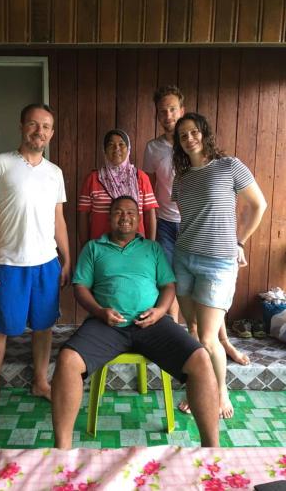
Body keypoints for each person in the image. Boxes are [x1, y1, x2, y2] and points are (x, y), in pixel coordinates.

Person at [52, 196, 220, 448]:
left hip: (152, 323)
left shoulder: (152, 249)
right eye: (118, 212)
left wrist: (160, 311)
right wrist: (100, 311)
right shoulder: (93, 248)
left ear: (139, 219)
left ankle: (212, 448)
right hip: (106, 324)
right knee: (67, 360)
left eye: (131, 212)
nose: (125, 217)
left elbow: (168, 285)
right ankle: (61, 449)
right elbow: (80, 288)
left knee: (201, 359)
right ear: (109, 218)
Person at [0, 103, 71, 418]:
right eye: (33, 124)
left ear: (51, 133)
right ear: (21, 126)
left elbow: (59, 221)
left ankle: (40, 382)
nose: (39, 131)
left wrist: (66, 258)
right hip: (8, 264)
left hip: (46, 264)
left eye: (45, 126)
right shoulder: (0, 164)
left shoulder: (54, 173)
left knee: (43, 327)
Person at [143, 85, 250, 367]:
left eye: (172, 109)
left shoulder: (210, 156)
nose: (167, 115)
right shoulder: (155, 150)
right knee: (175, 287)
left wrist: (237, 241)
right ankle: (185, 345)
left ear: (182, 110)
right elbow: (150, 187)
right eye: (162, 111)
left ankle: (221, 343)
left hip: (204, 233)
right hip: (169, 225)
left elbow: (233, 201)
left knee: (210, 298)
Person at [171, 112, 267, 418]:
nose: (189, 139)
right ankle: (197, 388)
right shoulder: (181, 178)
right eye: (183, 135)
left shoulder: (229, 166)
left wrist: (240, 242)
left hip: (218, 263)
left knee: (209, 338)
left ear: (204, 133)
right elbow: (188, 219)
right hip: (184, 258)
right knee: (193, 330)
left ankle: (220, 392)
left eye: (193, 132)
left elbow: (258, 205)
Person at [78, 129, 158, 245]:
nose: (117, 149)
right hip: (101, 247)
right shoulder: (93, 179)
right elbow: (83, 216)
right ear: (104, 150)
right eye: (111, 145)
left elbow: (150, 213)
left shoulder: (140, 177)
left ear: (129, 148)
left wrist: (151, 246)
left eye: (121, 144)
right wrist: (85, 247)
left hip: (136, 248)